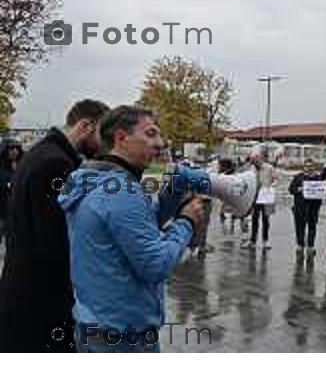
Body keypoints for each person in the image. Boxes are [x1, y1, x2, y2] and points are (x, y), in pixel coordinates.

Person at [58, 105, 206, 353]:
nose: (160, 143)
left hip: (97, 323)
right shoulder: (122, 191)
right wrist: (186, 222)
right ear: (121, 138)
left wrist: (172, 192)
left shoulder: (96, 178)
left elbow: (140, 225)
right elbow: (155, 265)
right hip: (125, 336)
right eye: (150, 134)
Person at [0, 99, 109, 352]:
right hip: (41, 300)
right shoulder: (55, 164)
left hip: (25, 293)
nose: (105, 145)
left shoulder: (42, 153)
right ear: (86, 126)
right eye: (103, 135)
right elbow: (57, 241)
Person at [288, 158, 323, 257]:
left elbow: (322, 190)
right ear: (304, 167)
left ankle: (311, 246)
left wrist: (325, 190)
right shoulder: (298, 177)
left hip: (313, 208)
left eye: (311, 166)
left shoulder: (318, 178)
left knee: (312, 227)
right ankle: (300, 245)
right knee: (299, 227)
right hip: (300, 207)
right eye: (307, 166)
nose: (309, 168)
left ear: (314, 167)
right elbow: (291, 190)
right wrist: (299, 189)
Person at [248, 148, 276, 250]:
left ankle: (265, 240)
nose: (255, 161)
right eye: (253, 159)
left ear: (261, 158)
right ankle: (253, 240)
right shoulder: (251, 168)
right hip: (255, 196)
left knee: (266, 219)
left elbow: (274, 179)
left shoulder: (269, 168)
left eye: (256, 159)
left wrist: (270, 189)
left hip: (266, 196)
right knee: (254, 218)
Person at [0, 140, 23, 245]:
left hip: (15, 209)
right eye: (11, 149)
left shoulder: (21, 164)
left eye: (16, 149)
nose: (14, 151)